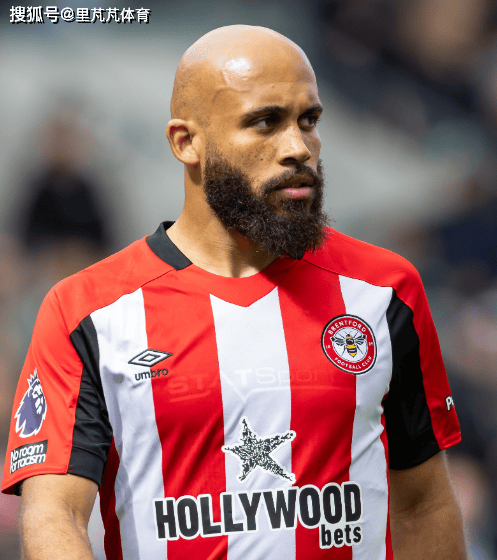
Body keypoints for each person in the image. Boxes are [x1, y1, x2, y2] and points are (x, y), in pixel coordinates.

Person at [2, 25, 466, 560]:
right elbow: (55, 515)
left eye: (308, 121)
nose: (298, 148)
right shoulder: (86, 311)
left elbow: (423, 504)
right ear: (186, 142)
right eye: (265, 122)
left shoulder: (385, 290)